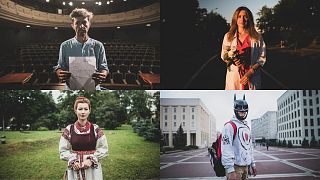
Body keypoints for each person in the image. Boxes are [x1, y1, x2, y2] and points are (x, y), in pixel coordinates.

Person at [54, 8, 109, 90]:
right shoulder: (64, 45)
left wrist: (103, 74)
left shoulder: (99, 45)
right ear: (73, 25)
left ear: (89, 24)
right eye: (77, 23)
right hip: (71, 87)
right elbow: (60, 66)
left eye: (84, 22)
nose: (81, 26)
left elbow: (104, 68)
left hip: (93, 86)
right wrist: (59, 73)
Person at [59, 96, 108, 180]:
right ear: (75, 110)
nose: (83, 112)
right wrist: (73, 160)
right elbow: (63, 150)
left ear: (89, 111)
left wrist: (91, 160)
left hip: (92, 170)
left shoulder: (95, 129)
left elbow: (103, 149)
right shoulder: (69, 129)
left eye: (85, 109)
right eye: (80, 109)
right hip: (75, 170)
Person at [221, 6, 266, 90]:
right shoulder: (228, 36)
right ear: (235, 18)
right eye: (239, 16)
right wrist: (232, 61)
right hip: (234, 76)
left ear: (249, 19)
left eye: (245, 16)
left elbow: (262, 58)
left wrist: (250, 72)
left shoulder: (257, 36)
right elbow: (223, 55)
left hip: (252, 76)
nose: (242, 19)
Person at [221, 94, 257, 180]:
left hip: (245, 167)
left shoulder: (247, 127)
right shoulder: (229, 126)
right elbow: (226, 148)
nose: (243, 113)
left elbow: (249, 147)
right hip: (235, 167)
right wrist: (230, 170)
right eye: (240, 111)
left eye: (244, 111)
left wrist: (252, 164)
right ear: (235, 111)